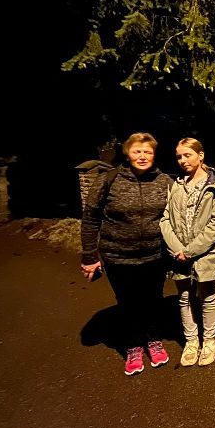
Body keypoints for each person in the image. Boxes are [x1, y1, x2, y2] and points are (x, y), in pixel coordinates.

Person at [80, 132, 173, 376]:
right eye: (137, 151)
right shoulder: (109, 180)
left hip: (155, 255)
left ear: (154, 155)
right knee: (128, 302)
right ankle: (133, 346)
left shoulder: (164, 181)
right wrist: (90, 256)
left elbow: (176, 217)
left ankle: (153, 340)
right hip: (118, 256)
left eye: (147, 152)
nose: (142, 156)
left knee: (154, 300)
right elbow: (90, 219)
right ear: (127, 153)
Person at [160, 138, 215, 367]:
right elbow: (165, 219)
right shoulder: (176, 185)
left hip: (205, 251)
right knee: (184, 296)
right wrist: (177, 248)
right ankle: (191, 341)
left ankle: (209, 340)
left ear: (201, 156)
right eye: (179, 156)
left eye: (187, 155)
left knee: (207, 295)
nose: (183, 160)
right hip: (178, 252)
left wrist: (190, 251)